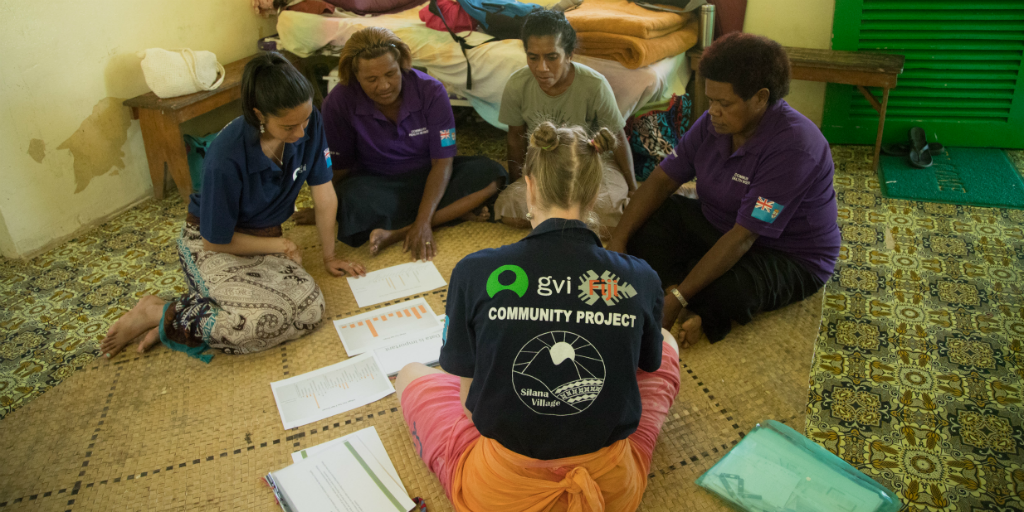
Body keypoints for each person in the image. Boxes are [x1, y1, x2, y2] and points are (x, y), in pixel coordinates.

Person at [395, 122, 680, 511]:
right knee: (666, 343)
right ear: (595, 194)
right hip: (610, 488)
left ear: (528, 186)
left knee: (411, 373)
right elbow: (644, 368)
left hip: (500, 491)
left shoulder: (474, 269)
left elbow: (468, 405)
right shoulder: (640, 276)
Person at [99, 52, 366, 361]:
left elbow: (323, 192)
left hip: (264, 240)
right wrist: (280, 244)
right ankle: (158, 311)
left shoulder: (307, 120)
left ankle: (189, 310)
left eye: (306, 120)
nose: (302, 133)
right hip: (213, 243)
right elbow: (215, 240)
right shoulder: (225, 158)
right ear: (259, 115)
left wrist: (329, 255)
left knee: (309, 311)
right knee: (253, 324)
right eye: (289, 127)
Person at [607, 33, 840, 348]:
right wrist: (617, 243)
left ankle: (701, 305)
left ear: (760, 98)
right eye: (711, 100)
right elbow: (662, 181)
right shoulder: (714, 124)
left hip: (786, 253)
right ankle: (692, 288)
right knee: (646, 221)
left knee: (732, 292)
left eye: (724, 103)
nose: (712, 110)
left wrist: (676, 298)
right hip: (720, 223)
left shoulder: (797, 149)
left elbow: (744, 237)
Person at [302, 27, 507, 261]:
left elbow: (442, 161)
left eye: (391, 74)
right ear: (354, 76)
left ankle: (400, 231)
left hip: (431, 176)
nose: (384, 86)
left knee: (493, 174)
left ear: (401, 65)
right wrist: (325, 207)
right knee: (352, 201)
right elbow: (340, 167)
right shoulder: (338, 102)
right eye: (371, 79)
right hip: (377, 184)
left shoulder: (432, 92)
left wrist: (422, 224)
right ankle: (453, 212)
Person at [495, 10, 636, 235]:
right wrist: (519, 181)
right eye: (533, 57)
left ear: (569, 54)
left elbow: (618, 137)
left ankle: (556, 219)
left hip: (591, 164)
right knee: (509, 209)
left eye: (552, 57)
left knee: (615, 215)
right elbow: (515, 137)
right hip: (546, 165)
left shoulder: (594, 85)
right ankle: (572, 220)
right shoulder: (517, 84)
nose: (542, 67)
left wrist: (633, 188)